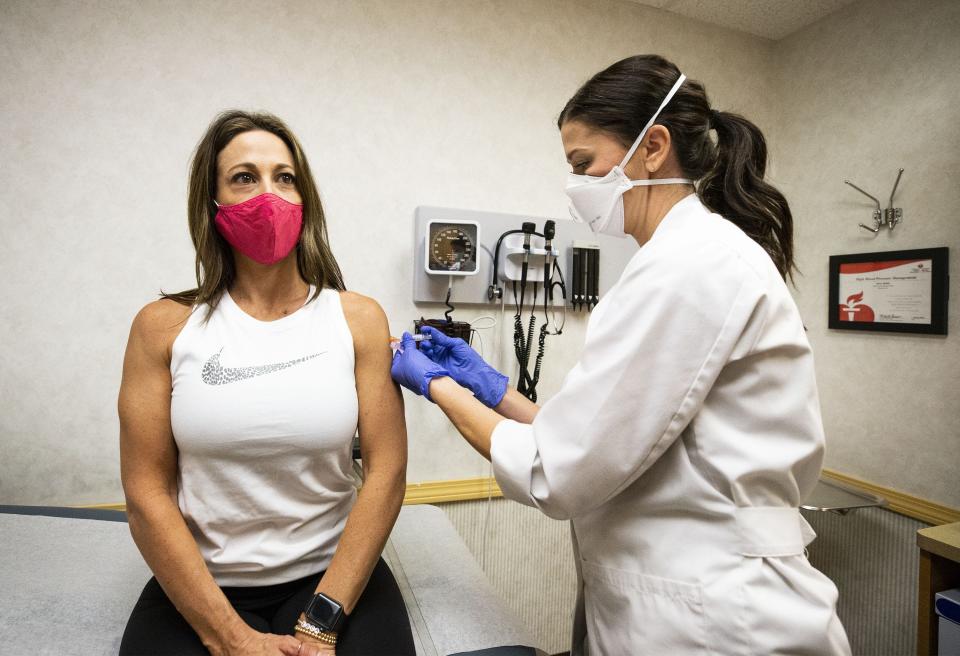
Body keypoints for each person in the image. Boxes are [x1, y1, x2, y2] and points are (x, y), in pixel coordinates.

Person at [391, 55, 851, 655]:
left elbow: (557, 472)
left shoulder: (691, 267)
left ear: (653, 146)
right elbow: (611, 439)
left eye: (584, 164)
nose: (576, 184)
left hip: (717, 614)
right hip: (680, 593)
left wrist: (436, 387)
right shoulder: (676, 262)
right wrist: (494, 390)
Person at [118, 110, 415, 656]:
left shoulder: (358, 319)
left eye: (285, 177)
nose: (269, 194)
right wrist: (230, 638)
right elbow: (145, 493)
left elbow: (387, 472)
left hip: (331, 579)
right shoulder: (162, 326)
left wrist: (321, 622)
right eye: (244, 177)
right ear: (213, 205)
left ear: (306, 199)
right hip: (201, 583)